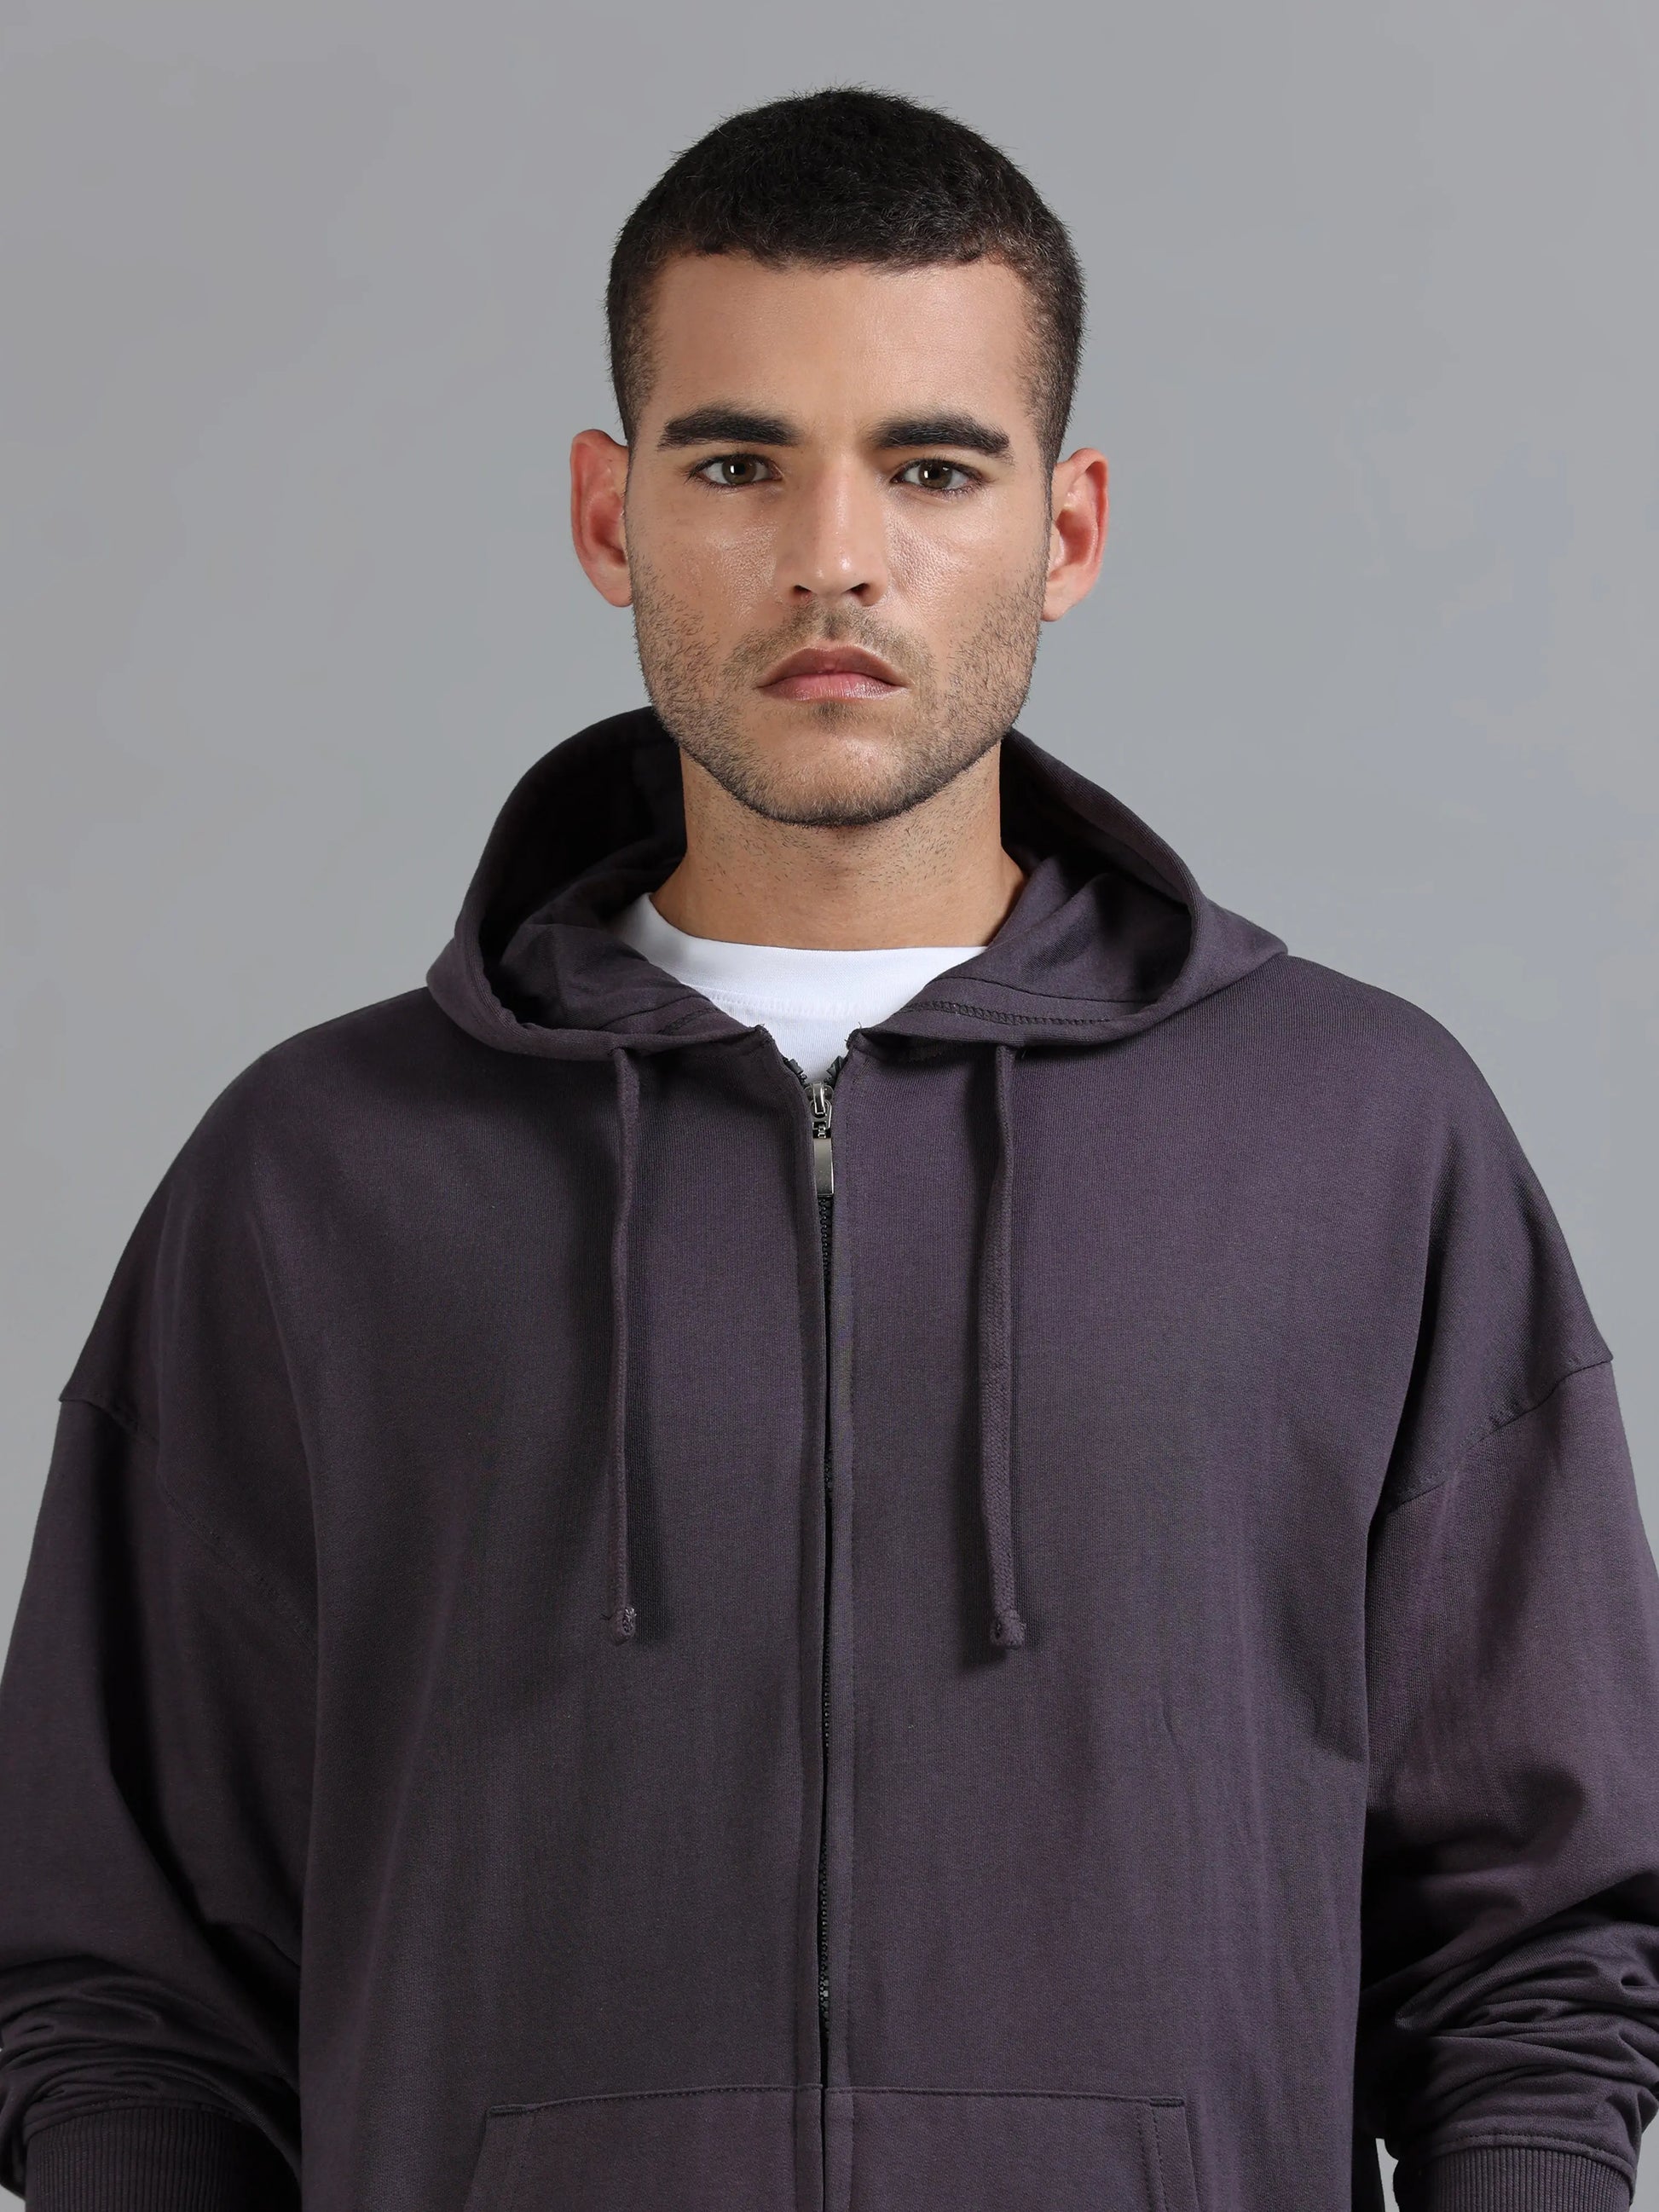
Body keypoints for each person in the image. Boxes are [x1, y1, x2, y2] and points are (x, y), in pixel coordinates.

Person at [1, 83, 1656, 2212]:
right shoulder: (320, 1175)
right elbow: (126, 1974)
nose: (833, 556)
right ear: (609, 514)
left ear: (1065, 528)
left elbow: (1538, 1940)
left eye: (932, 467)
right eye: (735, 463)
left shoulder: (1356, 1137)